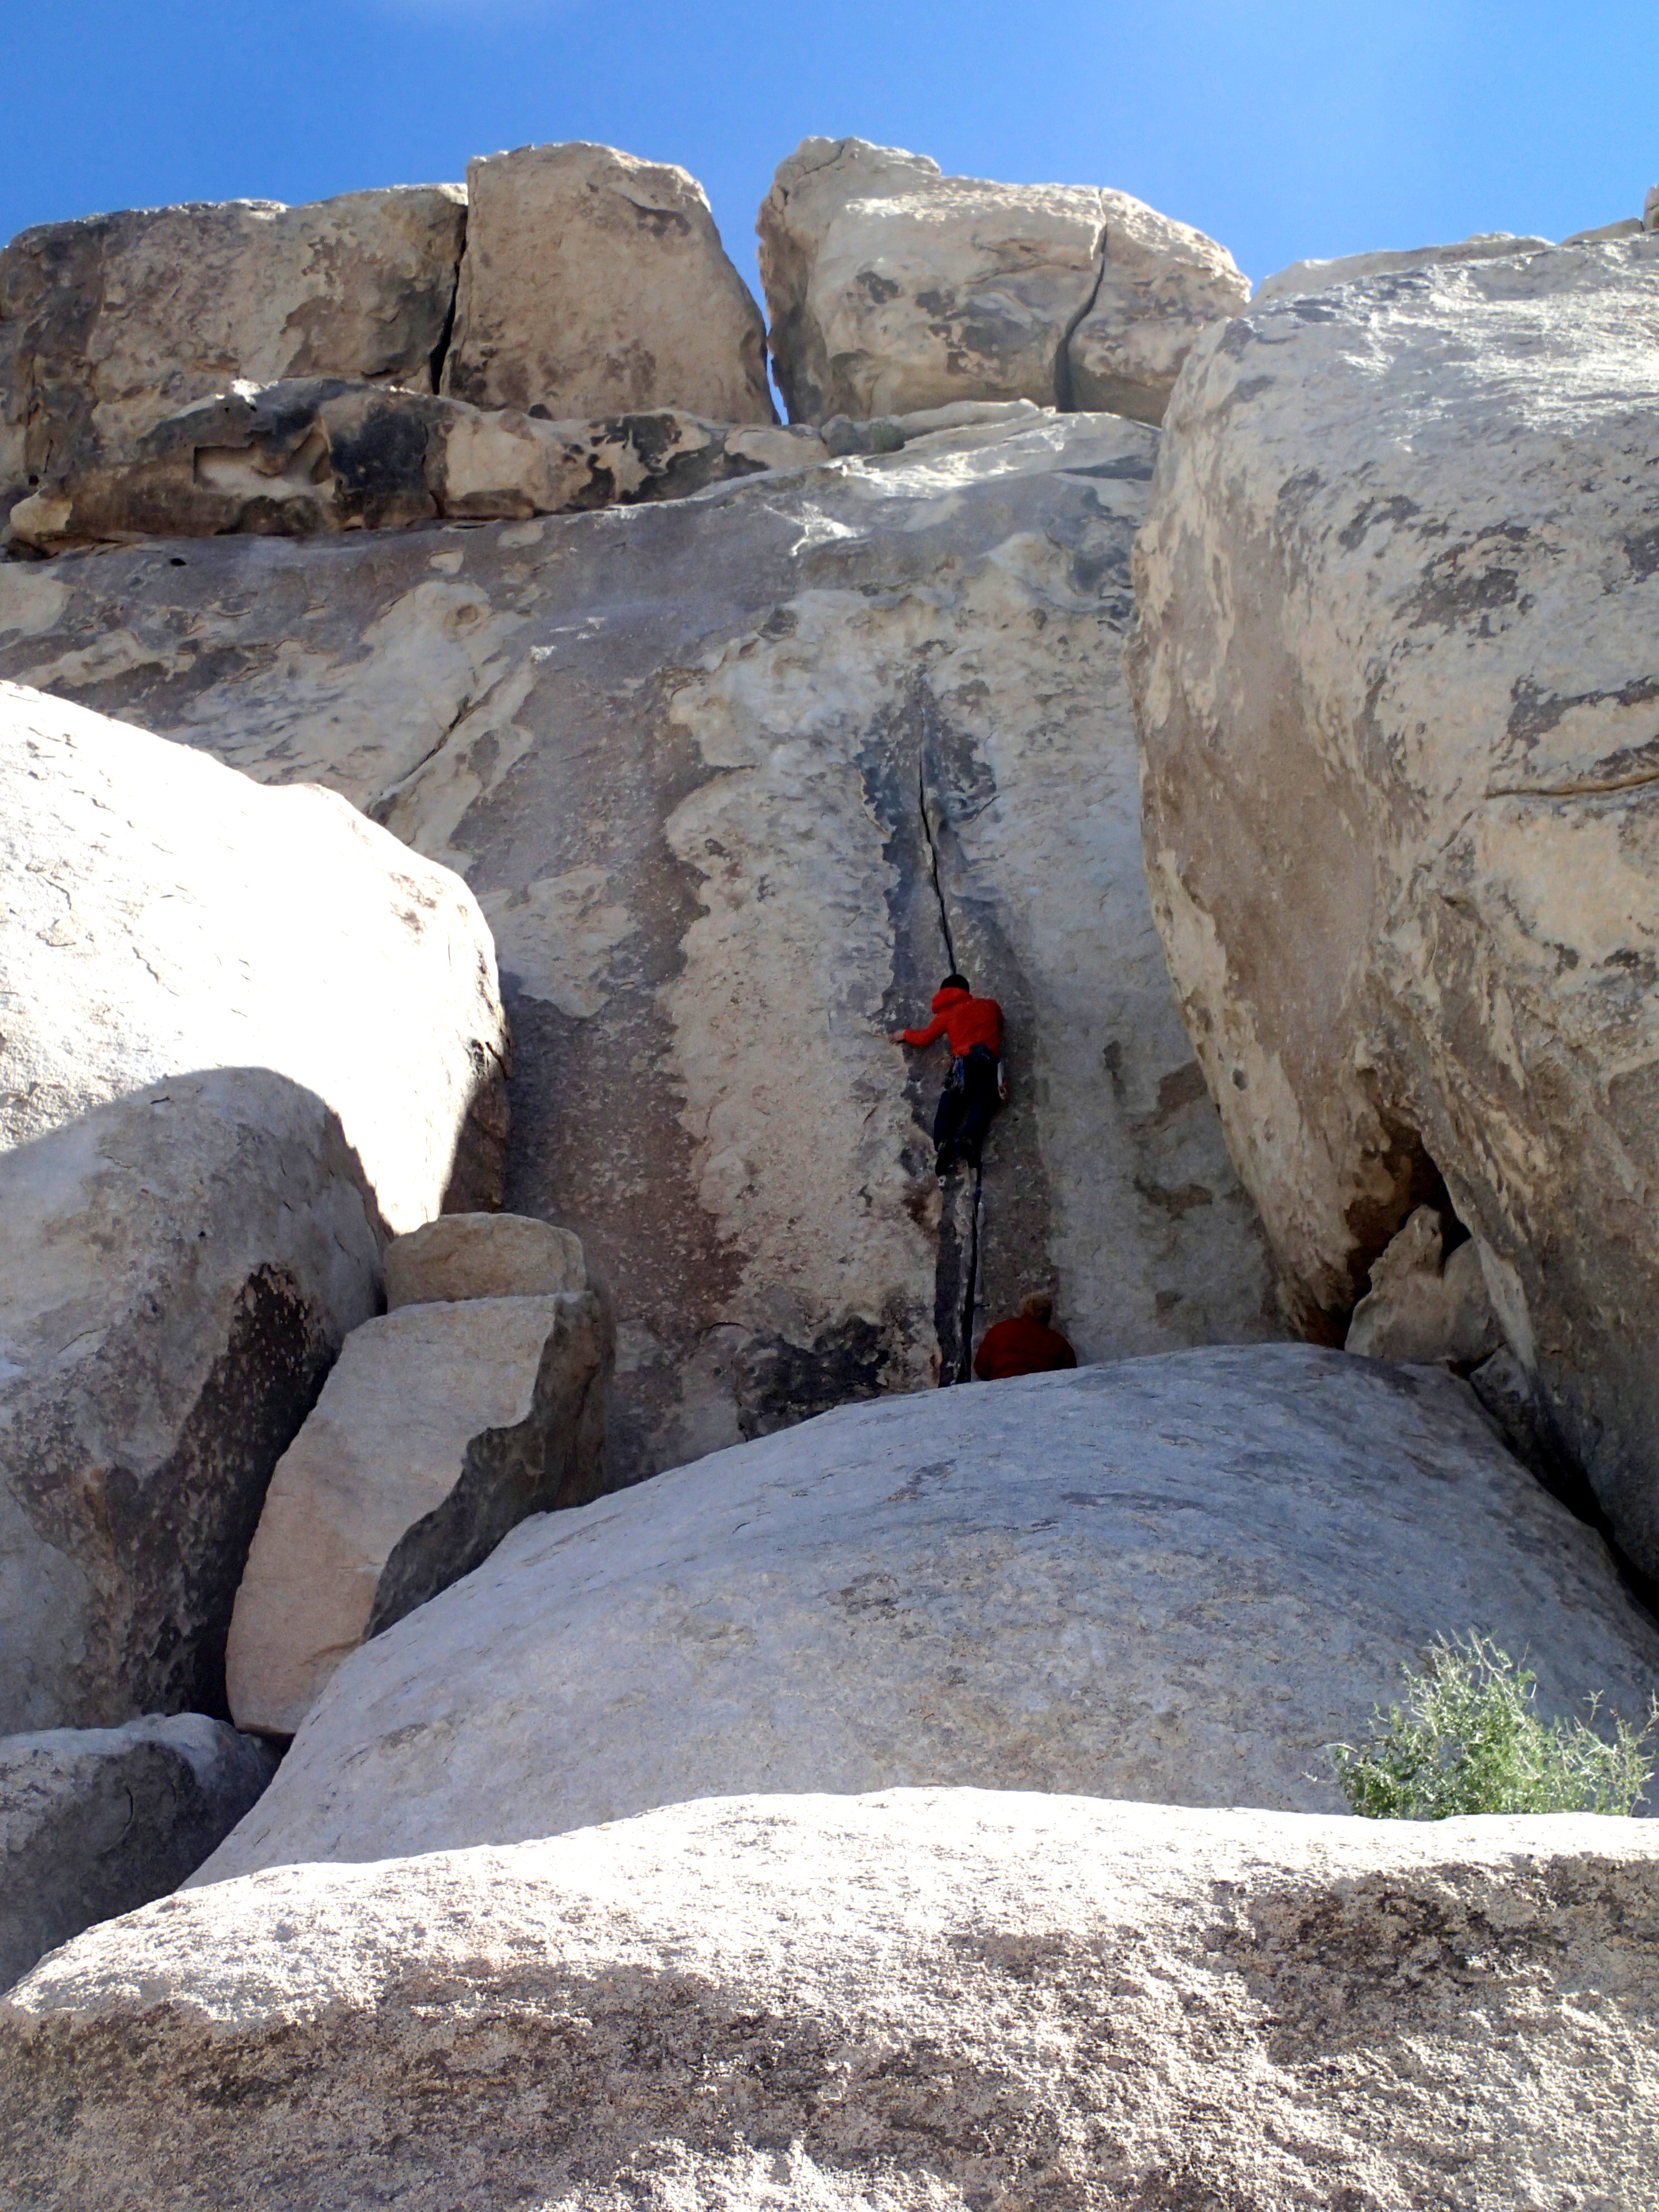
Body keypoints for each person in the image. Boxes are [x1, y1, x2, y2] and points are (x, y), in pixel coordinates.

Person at [889, 972, 1005, 1176]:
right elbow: (1000, 1023)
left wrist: (903, 1034)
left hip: (962, 1064)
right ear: (966, 990)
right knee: (983, 1103)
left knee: (950, 1104)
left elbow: (925, 1038)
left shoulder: (947, 1015)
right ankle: (969, 1137)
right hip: (987, 1062)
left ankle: (943, 1140)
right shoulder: (989, 1005)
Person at [973, 1291, 1078, 1381]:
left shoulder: (998, 1331)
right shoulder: (1058, 1341)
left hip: (1001, 1389)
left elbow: (981, 1367)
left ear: (1024, 1309)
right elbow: (1068, 1375)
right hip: (1041, 1392)